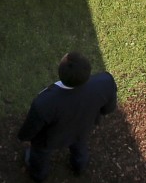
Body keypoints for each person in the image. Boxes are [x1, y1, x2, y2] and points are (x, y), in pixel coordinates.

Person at [17, 52, 119, 183]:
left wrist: (23, 137)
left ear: (60, 72)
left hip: (50, 139)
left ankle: (39, 175)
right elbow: (108, 109)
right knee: (80, 146)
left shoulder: (44, 102)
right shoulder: (105, 82)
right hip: (82, 129)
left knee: (40, 154)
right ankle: (79, 166)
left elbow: (32, 126)